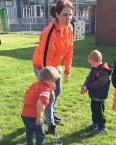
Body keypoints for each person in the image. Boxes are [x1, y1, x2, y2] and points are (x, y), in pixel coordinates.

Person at [31, 0, 74, 135]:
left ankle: (51, 114)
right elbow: (45, 59)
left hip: (55, 66)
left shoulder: (69, 29)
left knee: (58, 91)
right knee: (49, 95)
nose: (68, 18)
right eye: (65, 15)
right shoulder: (50, 32)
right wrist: (48, 80)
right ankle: (50, 125)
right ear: (57, 14)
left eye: (70, 15)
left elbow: (69, 50)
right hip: (42, 67)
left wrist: (67, 70)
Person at [21, 67, 59, 145]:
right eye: (53, 81)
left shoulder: (35, 85)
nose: (54, 83)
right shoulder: (45, 90)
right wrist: (39, 117)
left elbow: (24, 97)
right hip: (34, 116)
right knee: (40, 135)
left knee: (29, 131)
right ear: (48, 80)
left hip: (25, 114)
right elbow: (39, 103)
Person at [81, 50, 112, 133]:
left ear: (99, 61)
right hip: (94, 94)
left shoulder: (104, 71)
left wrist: (88, 87)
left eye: (93, 64)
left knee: (99, 111)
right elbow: (89, 77)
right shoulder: (94, 68)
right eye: (91, 64)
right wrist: (84, 85)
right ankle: (95, 123)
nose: (92, 65)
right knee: (93, 109)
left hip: (100, 94)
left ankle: (102, 126)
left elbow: (100, 83)